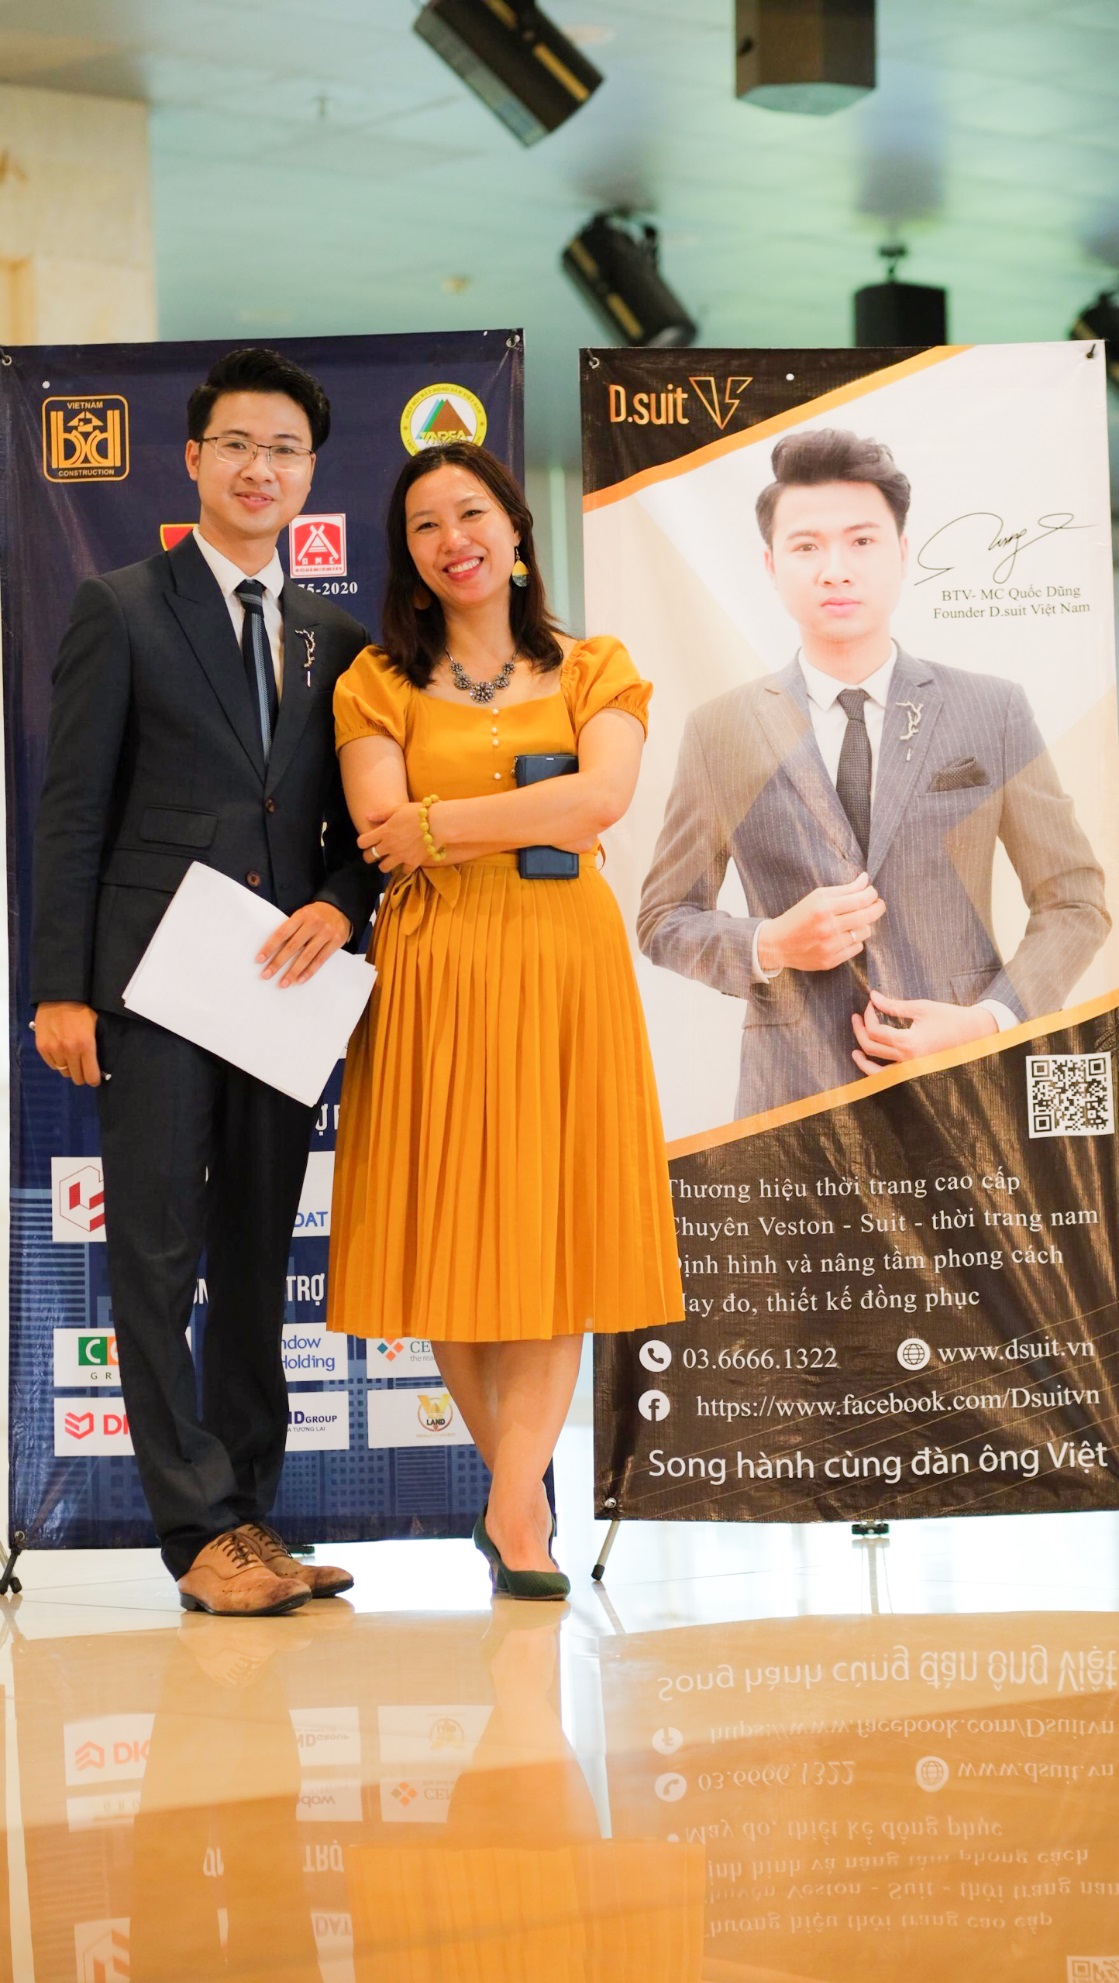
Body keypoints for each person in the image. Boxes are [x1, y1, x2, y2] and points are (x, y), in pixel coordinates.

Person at [31, 347, 381, 1615]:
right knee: (158, 1255)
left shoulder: (336, 637)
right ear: (192, 460)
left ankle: (250, 1519)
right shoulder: (120, 606)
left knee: (253, 1259)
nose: (259, 468)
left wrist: (341, 904)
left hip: (280, 990)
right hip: (156, 988)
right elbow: (72, 811)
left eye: (284, 450)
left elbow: (356, 829)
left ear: (309, 473)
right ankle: (196, 1536)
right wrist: (60, 987)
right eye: (237, 444)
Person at [327, 442, 683, 1599]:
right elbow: (379, 829)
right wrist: (510, 815)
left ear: (517, 530)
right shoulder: (375, 681)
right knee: (455, 1237)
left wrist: (440, 824)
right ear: (409, 557)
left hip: (565, 962)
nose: (453, 540)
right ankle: (520, 1500)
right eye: (425, 525)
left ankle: (510, 1505)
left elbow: (602, 800)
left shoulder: (597, 665)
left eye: (471, 513)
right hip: (436, 967)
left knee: (549, 1231)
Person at [637, 427, 1109, 1119]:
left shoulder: (992, 709)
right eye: (806, 546)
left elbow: (1075, 899)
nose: (835, 569)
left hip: (967, 1092)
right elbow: (662, 919)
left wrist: (985, 1021)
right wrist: (770, 942)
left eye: (861, 541)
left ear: (901, 553)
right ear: (770, 565)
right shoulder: (720, 730)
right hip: (793, 1106)